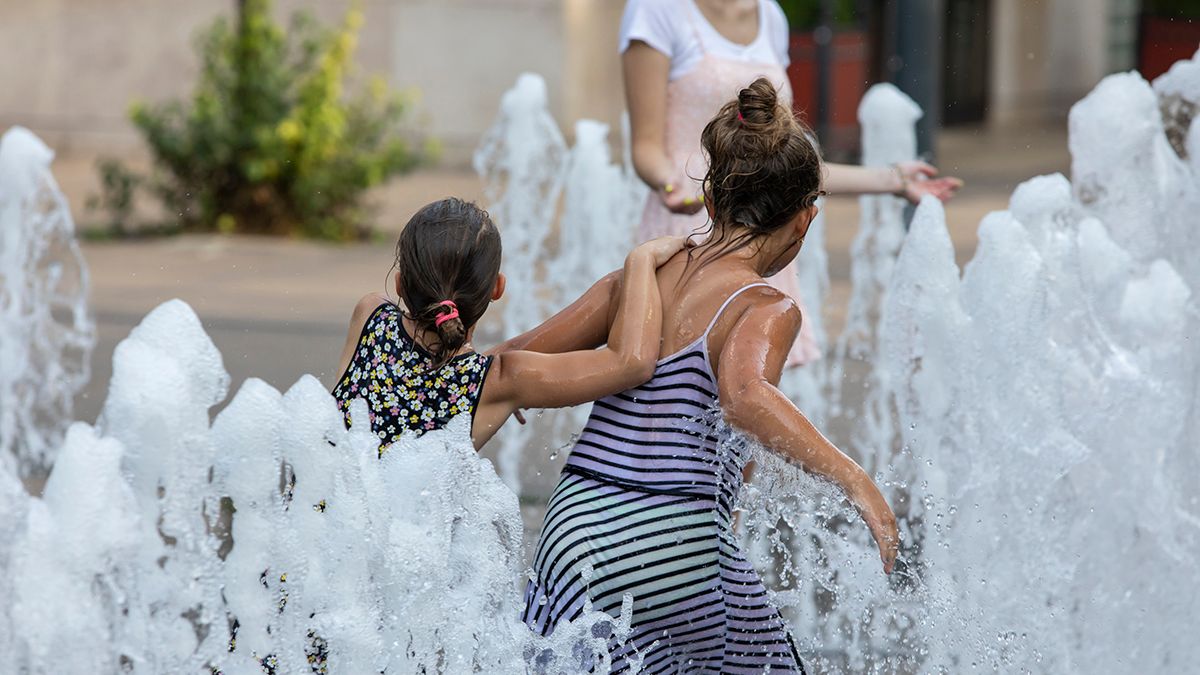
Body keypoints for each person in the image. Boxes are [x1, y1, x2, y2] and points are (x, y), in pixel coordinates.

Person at [506, 79, 899, 672]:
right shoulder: (765, 306)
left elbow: (516, 359)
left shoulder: (637, 282)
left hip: (572, 532)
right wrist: (856, 480)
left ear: (709, 203)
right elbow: (744, 398)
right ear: (805, 222)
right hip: (669, 539)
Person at [622, 0, 962, 366]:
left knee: (747, 380)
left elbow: (782, 160)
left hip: (764, 228)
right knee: (674, 379)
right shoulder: (655, 10)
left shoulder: (769, 14)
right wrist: (672, 185)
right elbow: (646, 147)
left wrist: (892, 179)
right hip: (696, 224)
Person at [331, 197, 687, 451]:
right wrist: (640, 261)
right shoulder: (499, 380)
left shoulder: (370, 315)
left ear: (399, 285)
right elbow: (631, 363)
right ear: (498, 288)